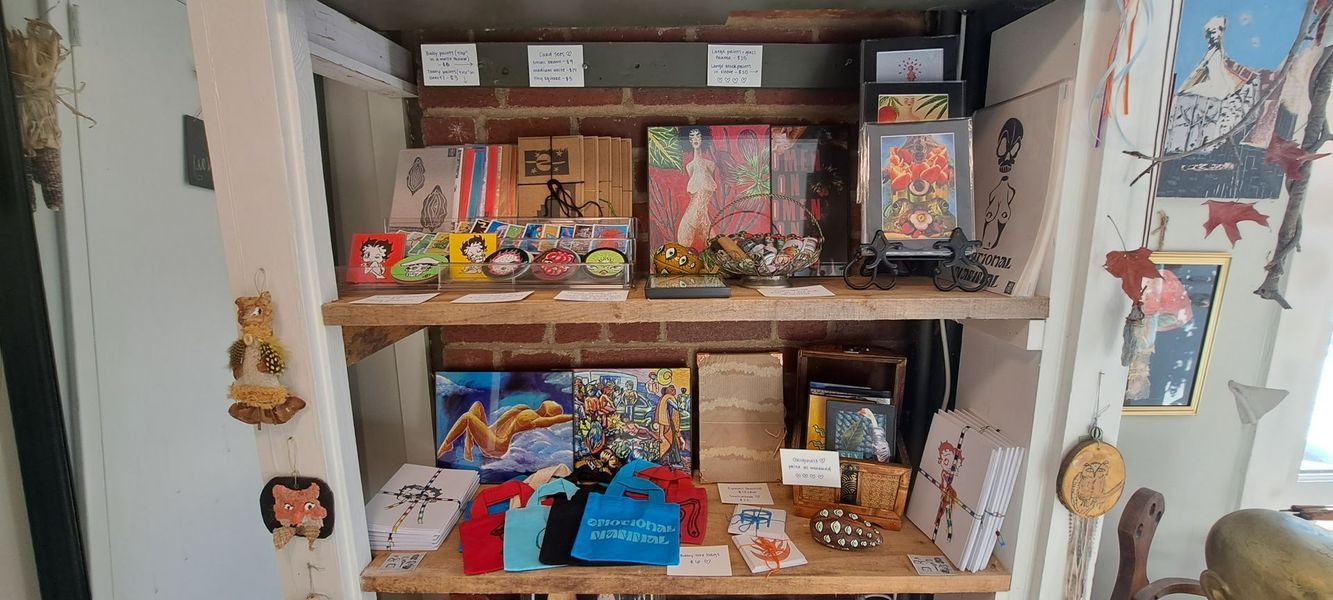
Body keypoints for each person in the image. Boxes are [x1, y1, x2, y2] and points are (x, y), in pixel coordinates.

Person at [436, 400, 572, 462]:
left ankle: (448, 444)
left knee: (468, 417)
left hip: (497, 445)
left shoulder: (532, 420)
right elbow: (555, 420)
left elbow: (555, 420)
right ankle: (468, 446)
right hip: (491, 435)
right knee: (477, 406)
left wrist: (573, 416)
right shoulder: (524, 409)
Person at [677, 128, 718, 250]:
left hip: (701, 207)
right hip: (695, 207)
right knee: (691, 228)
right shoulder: (689, 166)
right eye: (691, 137)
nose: (695, 139)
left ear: (703, 138)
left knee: (699, 225)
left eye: (698, 136)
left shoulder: (710, 164)